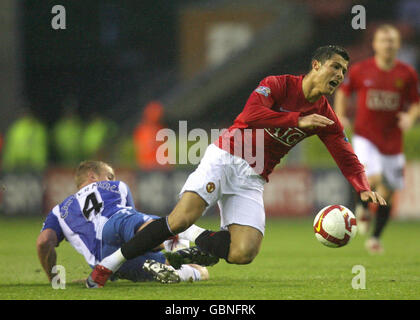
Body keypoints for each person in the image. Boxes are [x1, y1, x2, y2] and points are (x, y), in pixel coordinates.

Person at [88, 45, 387, 288]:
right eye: (335, 66)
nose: (340, 74)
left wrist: (363, 188)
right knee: (178, 220)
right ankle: (108, 265)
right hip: (226, 157)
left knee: (243, 253)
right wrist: (296, 119)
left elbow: (346, 155)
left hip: (253, 178)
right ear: (316, 65)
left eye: (344, 71)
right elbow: (251, 114)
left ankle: (196, 238)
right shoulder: (278, 85)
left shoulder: (326, 116)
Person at [36, 160, 210, 287]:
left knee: (163, 258)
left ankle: (172, 263)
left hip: (103, 261)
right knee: (162, 231)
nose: (112, 179)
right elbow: (136, 235)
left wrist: (55, 279)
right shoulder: (116, 186)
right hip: (115, 222)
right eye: (109, 176)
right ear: (92, 176)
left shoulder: (59, 211)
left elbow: (44, 242)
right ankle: (177, 251)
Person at [334, 25, 420, 254]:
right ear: (375, 44)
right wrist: (341, 116)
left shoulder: (407, 73)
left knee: (388, 192)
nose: (388, 44)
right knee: (371, 178)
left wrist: (410, 118)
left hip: (392, 140)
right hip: (365, 136)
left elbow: (415, 103)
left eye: (392, 40)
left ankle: (375, 238)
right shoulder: (362, 70)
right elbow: (343, 92)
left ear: (398, 44)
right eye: (383, 40)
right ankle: (362, 206)